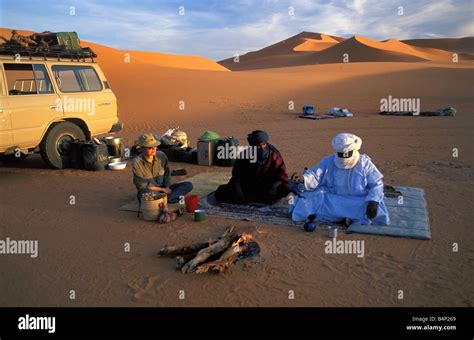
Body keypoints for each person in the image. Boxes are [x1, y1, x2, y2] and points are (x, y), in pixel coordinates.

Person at [289, 133, 390, 225]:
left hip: (357, 200)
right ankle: (347, 218)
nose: (343, 158)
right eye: (340, 154)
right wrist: (304, 178)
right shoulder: (329, 160)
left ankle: (338, 217)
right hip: (333, 197)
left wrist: (373, 201)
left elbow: (377, 185)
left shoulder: (364, 163)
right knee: (306, 198)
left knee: (376, 209)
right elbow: (316, 175)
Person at [215, 130, 290, 204]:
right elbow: (236, 176)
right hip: (249, 185)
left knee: (283, 189)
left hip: (267, 184)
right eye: (258, 145)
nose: (262, 148)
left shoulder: (273, 155)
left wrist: (276, 185)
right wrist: (239, 190)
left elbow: (281, 173)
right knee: (221, 193)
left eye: (264, 144)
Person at [132, 133, 193, 203]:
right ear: (142, 148)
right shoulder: (137, 162)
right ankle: (168, 199)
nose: (153, 149)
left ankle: (166, 199)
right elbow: (142, 185)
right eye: (149, 148)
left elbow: (167, 174)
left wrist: (167, 187)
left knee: (188, 185)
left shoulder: (161, 156)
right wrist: (163, 190)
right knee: (146, 194)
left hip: (164, 188)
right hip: (149, 191)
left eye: (154, 146)